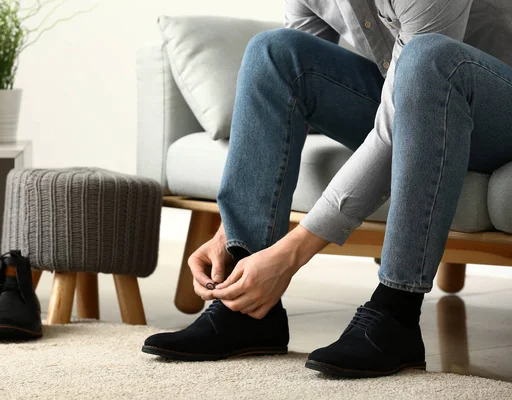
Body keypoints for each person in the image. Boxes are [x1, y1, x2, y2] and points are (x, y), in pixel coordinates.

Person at [142, 0, 512, 378]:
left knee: (428, 59)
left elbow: (395, 122)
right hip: (412, 98)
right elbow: (291, 95)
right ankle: (246, 305)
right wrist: (230, 232)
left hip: (494, 114)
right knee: (275, 52)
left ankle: (396, 314)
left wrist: (289, 255)